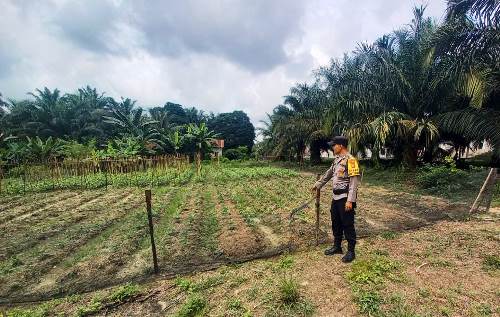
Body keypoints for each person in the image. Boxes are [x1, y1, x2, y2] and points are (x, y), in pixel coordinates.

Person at [311, 136, 360, 263]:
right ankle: (337, 246)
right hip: (335, 197)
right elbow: (328, 174)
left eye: (334, 145)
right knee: (336, 222)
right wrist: (318, 184)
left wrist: (350, 200)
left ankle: (351, 251)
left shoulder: (351, 160)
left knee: (347, 224)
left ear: (341, 146)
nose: (332, 147)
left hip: (345, 198)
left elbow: (354, 183)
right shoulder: (337, 160)